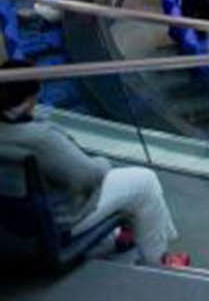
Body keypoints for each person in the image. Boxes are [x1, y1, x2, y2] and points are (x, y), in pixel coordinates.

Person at [0, 72, 189, 266]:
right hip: (58, 220)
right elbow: (86, 177)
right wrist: (103, 162)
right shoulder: (40, 138)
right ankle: (157, 259)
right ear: (30, 99)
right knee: (145, 182)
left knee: (124, 187)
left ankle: (123, 235)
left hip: (11, 222)